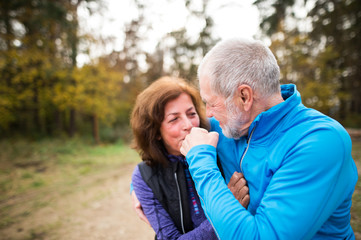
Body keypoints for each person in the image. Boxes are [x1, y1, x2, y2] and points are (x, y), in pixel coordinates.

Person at [180, 38, 358, 239]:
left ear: (244, 97)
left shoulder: (320, 142)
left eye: (211, 103)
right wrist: (141, 183)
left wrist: (201, 162)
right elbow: (166, 130)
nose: (208, 114)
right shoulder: (229, 124)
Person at [130, 77, 250, 239]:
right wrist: (226, 210)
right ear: (155, 131)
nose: (189, 124)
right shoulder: (144, 176)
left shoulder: (219, 138)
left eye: (191, 114)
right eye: (174, 119)